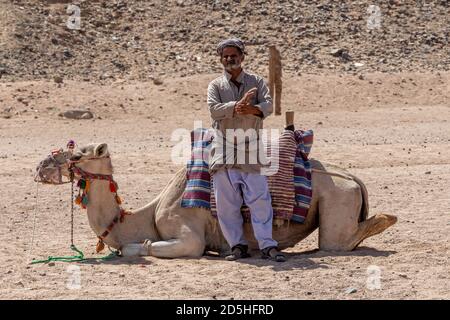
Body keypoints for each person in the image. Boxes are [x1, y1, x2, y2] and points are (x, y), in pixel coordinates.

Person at [207, 38, 286, 262]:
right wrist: (235, 107)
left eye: (234, 55)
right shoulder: (215, 86)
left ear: (242, 57)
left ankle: (268, 246)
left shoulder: (256, 81)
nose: (230, 59)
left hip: (251, 147)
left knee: (259, 199)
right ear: (221, 59)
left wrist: (249, 107)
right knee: (226, 202)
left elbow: (268, 106)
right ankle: (237, 246)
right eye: (225, 56)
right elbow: (213, 110)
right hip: (224, 148)